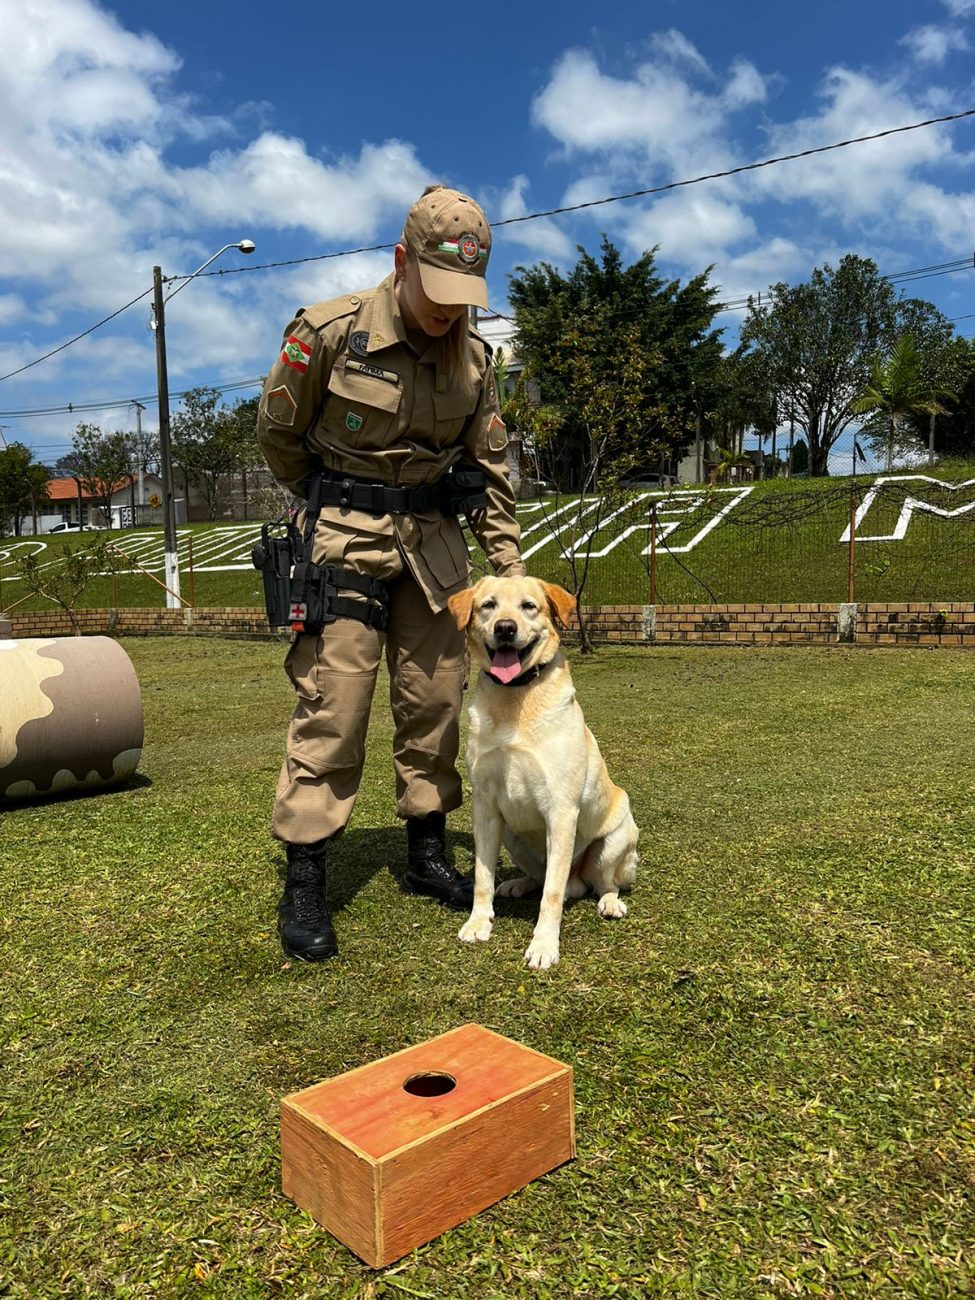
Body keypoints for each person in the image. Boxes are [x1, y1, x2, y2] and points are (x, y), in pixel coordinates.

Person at [257, 185, 526, 961]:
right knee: (334, 704)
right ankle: (306, 871)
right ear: (401, 262)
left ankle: (426, 852)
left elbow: (491, 472)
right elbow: (280, 437)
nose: (448, 312)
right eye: (436, 293)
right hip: (342, 539)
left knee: (435, 700)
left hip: (435, 548)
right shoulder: (328, 332)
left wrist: (506, 569)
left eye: (462, 297)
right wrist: (334, 501)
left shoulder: (476, 359)